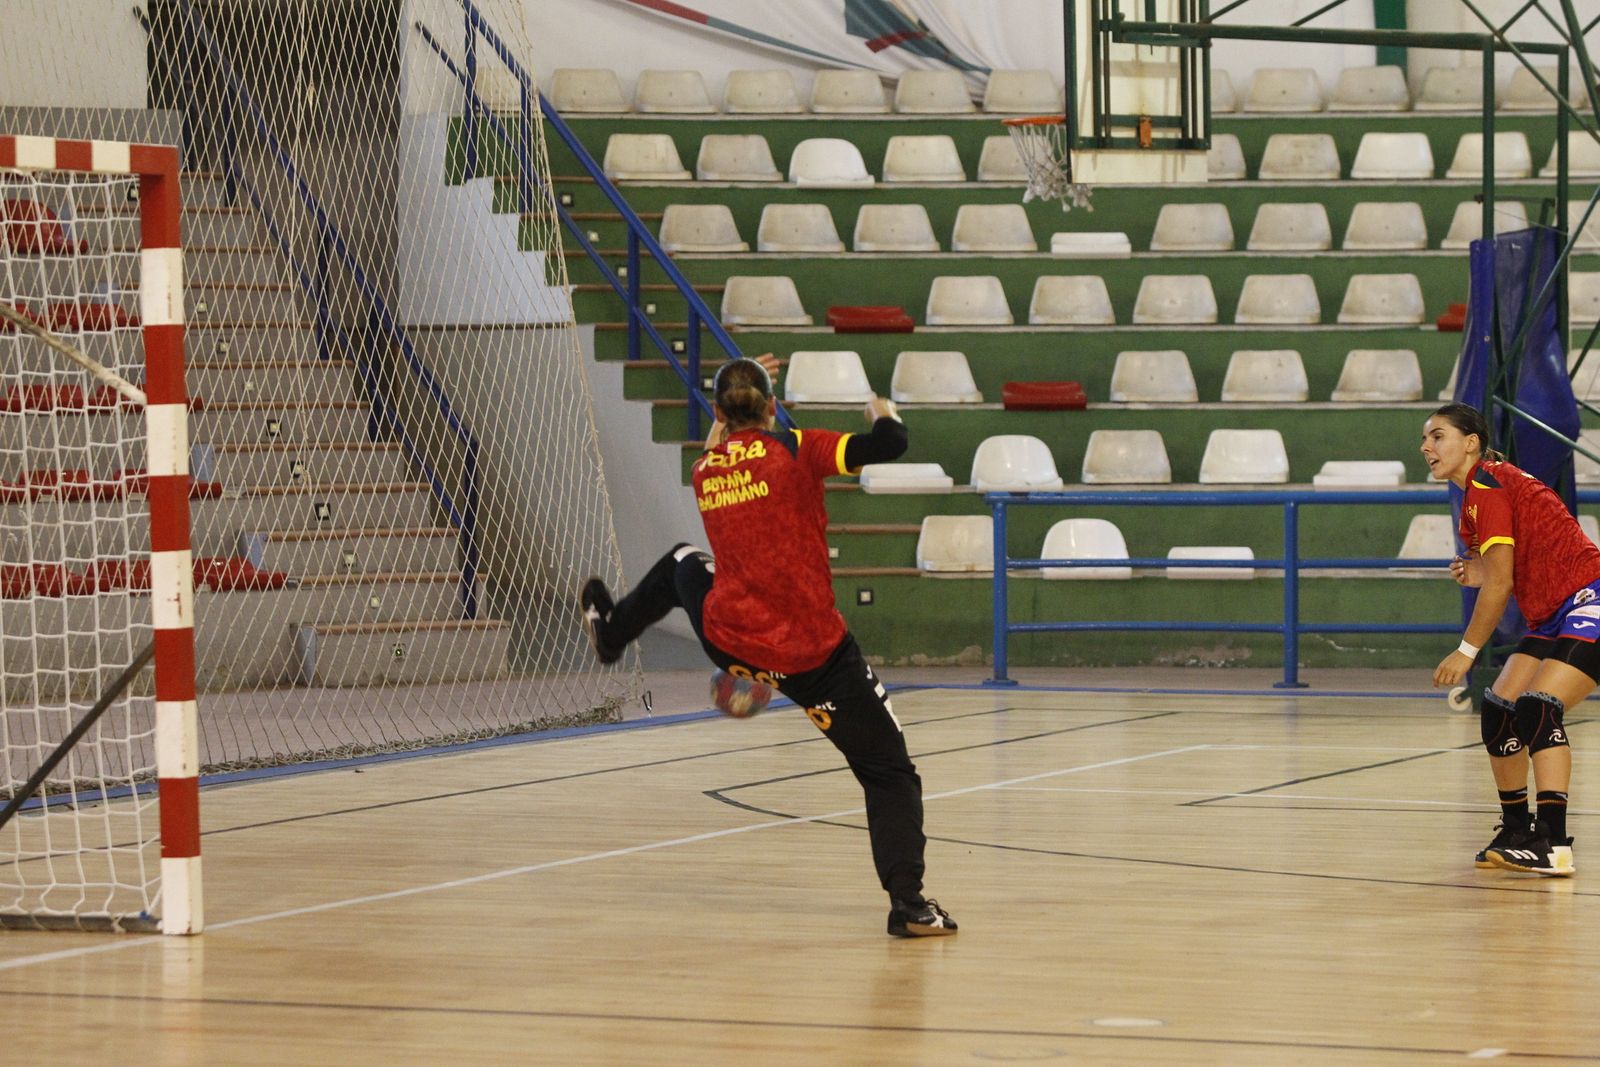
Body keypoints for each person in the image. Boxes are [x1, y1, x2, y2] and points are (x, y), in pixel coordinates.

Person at [580, 354, 957, 936]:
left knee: (683, 563)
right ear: (774, 407)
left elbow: (721, 443)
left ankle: (612, 635)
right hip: (815, 658)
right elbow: (891, 444)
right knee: (888, 773)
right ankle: (909, 905)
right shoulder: (796, 449)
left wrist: (735, 399)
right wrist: (882, 409)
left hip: (733, 643)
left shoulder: (707, 469)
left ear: (716, 414)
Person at [1426, 402, 1596, 876]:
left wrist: (1465, 652)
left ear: (1471, 442)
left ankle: (1554, 842)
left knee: (1539, 707)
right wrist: (1473, 569)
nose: (1426, 447)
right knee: (1501, 713)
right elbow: (1495, 570)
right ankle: (1518, 829)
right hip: (1551, 613)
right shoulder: (1474, 500)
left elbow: (1500, 585)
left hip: (1589, 598)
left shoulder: (1490, 485)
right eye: (1425, 439)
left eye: (1438, 436)